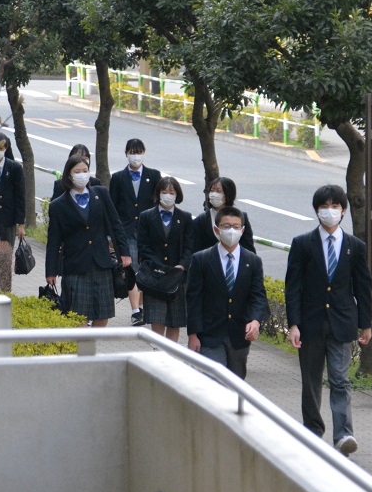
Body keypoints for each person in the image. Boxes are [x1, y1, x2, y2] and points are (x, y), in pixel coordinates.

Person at [285, 185, 372, 456]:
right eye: (325, 206)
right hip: (310, 324)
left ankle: (344, 434)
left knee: (340, 379)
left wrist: (366, 324)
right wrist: (294, 324)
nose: (330, 211)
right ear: (317, 210)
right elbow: (293, 287)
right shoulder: (302, 244)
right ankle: (312, 430)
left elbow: (363, 287)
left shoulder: (355, 247)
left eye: (336, 206)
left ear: (344, 211)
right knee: (311, 381)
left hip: (343, 323)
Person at [45, 154, 131, 327]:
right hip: (75, 265)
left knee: (103, 315)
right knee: (78, 316)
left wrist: (125, 253)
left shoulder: (101, 194)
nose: (82, 174)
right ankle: (83, 351)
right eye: (77, 171)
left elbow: (115, 224)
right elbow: (53, 241)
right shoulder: (58, 205)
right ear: (69, 175)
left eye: (85, 170)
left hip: (101, 262)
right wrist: (50, 271)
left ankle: (89, 347)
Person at [186, 206, 268, 379]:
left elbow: (258, 296)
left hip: (239, 336)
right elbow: (193, 299)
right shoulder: (201, 259)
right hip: (209, 334)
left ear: (242, 230)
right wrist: (193, 334)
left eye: (236, 226)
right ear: (216, 230)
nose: (231, 230)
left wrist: (255, 321)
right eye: (226, 226)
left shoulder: (252, 261)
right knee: (216, 381)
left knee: (235, 385)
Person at [109, 138, 162, 326]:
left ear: (144, 152)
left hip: (148, 232)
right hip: (126, 231)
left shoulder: (154, 176)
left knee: (146, 270)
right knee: (131, 269)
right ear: (126, 154)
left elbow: (158, 204)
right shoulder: (117, 178)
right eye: (132, 152)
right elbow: (113, 208)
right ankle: (135, 310)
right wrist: (111, 235)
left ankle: (142, 307)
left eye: (138, 152)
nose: (135, 156)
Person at [137, 177, 194, 341]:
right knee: (157, 318)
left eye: (172, 192)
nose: (168, 196)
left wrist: (182, 266)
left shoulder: (185, 218)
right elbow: (143, 246)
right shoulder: (146, 216)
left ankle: (171, 354)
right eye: (164, 192)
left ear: (177, 195)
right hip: (154, 277)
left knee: (174, 322)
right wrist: (157, 266)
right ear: (158, 194)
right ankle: (157, 351)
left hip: (177, 277)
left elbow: (189, 247)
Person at [190, 177, 256, 254]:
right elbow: (195, 249)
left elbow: (248, 247)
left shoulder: (241, 217)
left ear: (228, 194)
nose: (214, 194)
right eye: (212, 191)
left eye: (218, 191)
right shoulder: (202, 220)